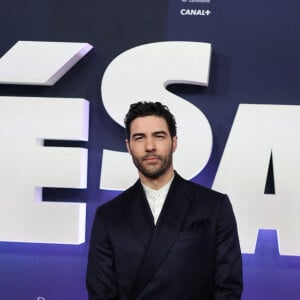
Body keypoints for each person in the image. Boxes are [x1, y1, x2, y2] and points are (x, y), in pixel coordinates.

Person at [86, 101, 243, 300]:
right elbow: (101, 294)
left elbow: (228, 288)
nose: (150, 146)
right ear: (128, 146)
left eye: (159, 136)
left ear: (174, 142)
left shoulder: (214, 206)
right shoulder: (108, 216)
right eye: (139, 138)